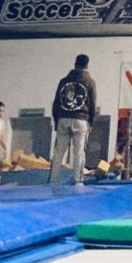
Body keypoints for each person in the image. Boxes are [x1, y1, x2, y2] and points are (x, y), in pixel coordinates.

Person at [50, 53, 97, 184]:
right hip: (81, 119)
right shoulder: (89, 82)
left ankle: (53, 180)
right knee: (79, 152)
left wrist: (56, 119)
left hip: (63, 118)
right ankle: (78, 180)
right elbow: (92, 103)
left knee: (59, 152)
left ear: (75, 64)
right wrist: (91, 122)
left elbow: (56, 102)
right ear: (87, 65)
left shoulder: (64, 81)